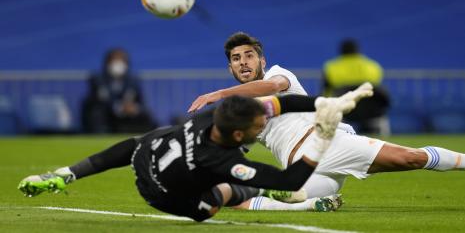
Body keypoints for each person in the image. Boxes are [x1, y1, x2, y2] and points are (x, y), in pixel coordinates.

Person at [189, 32, 465, 211]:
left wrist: (220, 93)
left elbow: (268, 87)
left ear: (262, 59)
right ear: (230, 68)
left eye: (249, 55)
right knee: (238, 196)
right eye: (236, 59)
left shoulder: (277, 74)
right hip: (301, 168)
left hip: (325, 144)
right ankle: (313, 205)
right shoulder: (236, 110)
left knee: (411, 158)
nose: (243, 62)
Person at [18, 93, 358, 221]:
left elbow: (277, 104)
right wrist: (324, 135)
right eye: (260, 125)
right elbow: (291, 178)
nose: (263, 124)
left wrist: (324, 103)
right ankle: (261, 193)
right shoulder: (223, 163)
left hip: (150, 149)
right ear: (239, 136)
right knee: (215, 201)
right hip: (161, 194)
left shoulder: (216, 116)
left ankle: (61, 174)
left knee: (137, 143)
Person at [322, 38, 391, 135]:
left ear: (341, 51)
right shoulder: (373, 66)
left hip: (345, 112)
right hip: (372, 111)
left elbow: (326, 92)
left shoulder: (331, 67)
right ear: (358, 50)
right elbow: (378, 91)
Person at [81, 48, 157, 133]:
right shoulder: (97, 79)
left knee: (146, 115)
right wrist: (119, 107)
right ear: (107, 62)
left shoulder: (133, 81)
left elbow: (141, 102)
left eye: (121, 60)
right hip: (107, 114)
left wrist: (135, 108)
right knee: (97, 114)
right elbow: (100, 100)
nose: (118, 64)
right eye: (115, 60)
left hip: (127, 116)